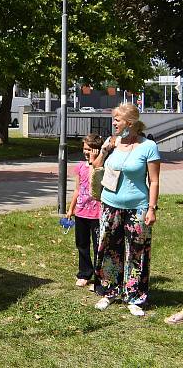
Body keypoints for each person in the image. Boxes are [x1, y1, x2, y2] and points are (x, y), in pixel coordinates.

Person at [92, 103, 161, 316]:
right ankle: (110, 291)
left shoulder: (148, 146)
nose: (113, 123)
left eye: (117, 120)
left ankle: (135, 297)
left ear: (129, 123)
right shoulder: (112, 142)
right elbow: (96, 167)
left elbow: (154, 181)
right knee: (109, 248)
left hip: (137, 207)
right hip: (109, 204)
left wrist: (151, 209)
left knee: (137, 252)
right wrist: (104, 150)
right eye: (113, 119)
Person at [65, 133, 103, 289]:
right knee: (82, 244)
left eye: (90, 149)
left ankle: (100, 276)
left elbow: (100, 183)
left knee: (98, 246)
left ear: (98, 150)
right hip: (81, 212)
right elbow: (77, 189)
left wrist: (95, 163)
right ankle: (84, 273)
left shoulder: (102, 167)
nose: (86, 152)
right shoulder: (80, 166)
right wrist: (71, 208)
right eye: (85, 148)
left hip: (97, 214)